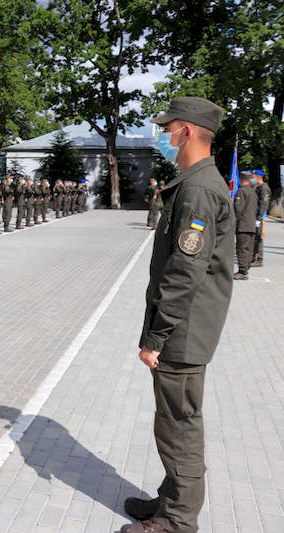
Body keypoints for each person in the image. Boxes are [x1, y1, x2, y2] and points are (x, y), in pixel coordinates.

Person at [124, 97, 234, 533]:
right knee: (171, 422)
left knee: (179, 428)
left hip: (183, 333)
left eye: (167, 128)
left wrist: (156, 337)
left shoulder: (199, 189)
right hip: (184, 329)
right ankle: (170, 500)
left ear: (186, 131)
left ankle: (177, 520)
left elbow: (185, 271)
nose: (163, 136)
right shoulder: (196, 183)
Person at [233, 171, 258, 281]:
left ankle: (242, 271)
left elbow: (238, 209)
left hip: (243, 225)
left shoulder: (241, 191)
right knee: (248, 249)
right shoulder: (253, 192)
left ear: (242, 179)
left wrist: (234, 223)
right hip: (251, 224)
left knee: (242, 248)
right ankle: (246, 268)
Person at [251, 172, 271, 267]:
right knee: (255, 237)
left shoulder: (264, 188)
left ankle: (259, 259)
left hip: (259, 217)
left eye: (253, 177)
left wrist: (259, 218)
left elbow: (264, 204)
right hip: (255, 216)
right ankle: (254, 257)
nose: (251, 178)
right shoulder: (257, 187)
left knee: (258, 237)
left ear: (258, 177)